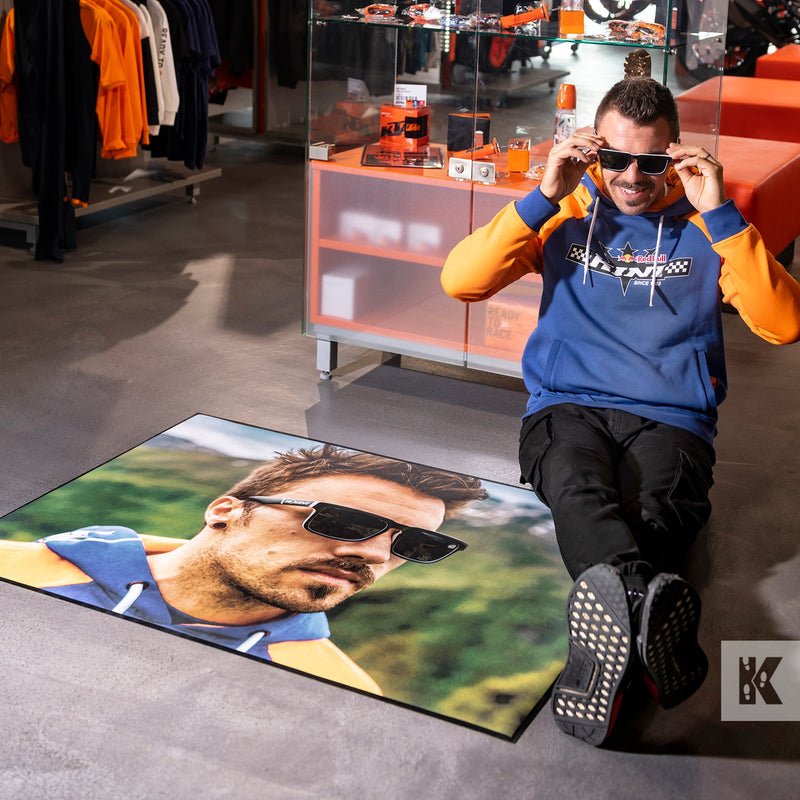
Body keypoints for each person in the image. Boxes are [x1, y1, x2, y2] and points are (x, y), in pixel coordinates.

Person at [441, 76, 800, 745]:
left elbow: (783, 325)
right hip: (570, 403)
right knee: (580, 491)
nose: (632, 176)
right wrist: (544, 192)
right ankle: (649, 637)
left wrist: (722, 215)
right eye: (616, 159)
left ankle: (617, 648)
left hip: (671, 417)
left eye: (652, 161)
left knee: (653, 511)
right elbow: (461, 281)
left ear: (676, 155)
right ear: (593, 149)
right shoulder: (563, 210)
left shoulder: (706, 225)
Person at [0, 444, 487, 694]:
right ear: (225, 511)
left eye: (417, 545)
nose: (378, 557)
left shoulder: (340, 687)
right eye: (343, 521)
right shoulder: (15, 567)